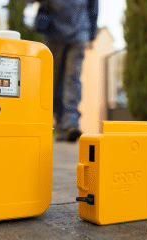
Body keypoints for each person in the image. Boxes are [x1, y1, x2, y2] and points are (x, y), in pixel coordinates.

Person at [37, 0, 98, 142]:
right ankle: (61, 125)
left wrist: (92, 34)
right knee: (54, 80)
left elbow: (93, 6)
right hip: (54, 32)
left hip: (79, 33)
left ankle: (70, 124)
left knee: (72, 77)